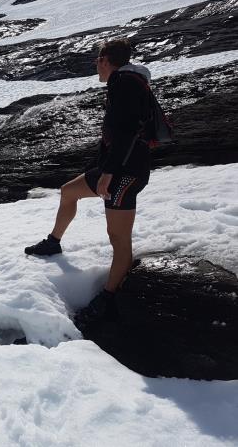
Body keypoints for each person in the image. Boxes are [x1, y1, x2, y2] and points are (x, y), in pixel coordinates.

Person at [24, 39, 152, 316]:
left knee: (118, 238)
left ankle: (109, 296)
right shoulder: (124, 82)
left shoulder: (125, 83)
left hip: (124, 174)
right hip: (116, 168)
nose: (96, 66)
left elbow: (128, 131)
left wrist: (108, 172)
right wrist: (98, 167)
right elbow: (115, 133)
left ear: (105, 60)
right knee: (68, 191)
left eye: (97, 61)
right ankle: (53, 242)